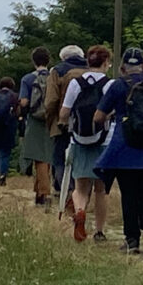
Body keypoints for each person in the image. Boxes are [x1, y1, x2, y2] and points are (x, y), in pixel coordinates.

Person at [93, 47, 143, 254]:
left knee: (128, 194)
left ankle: (132, 240)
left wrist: (114, 115)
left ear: (122, 67)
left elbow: (98, 117)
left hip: (125, 148)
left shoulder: (118, 86)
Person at [58, 45, 115, 243]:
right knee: (101, 189)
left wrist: (65, 125)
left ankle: (80, 211)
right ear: (106, 62)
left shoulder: (75, 84)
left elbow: (64, 113)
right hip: (104, 141)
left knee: (80, 187)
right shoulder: (110, 85)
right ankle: (99, 231)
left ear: (88, 62)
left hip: (79, 139)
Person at [46, 45, 88, 209]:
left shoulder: (57, 71)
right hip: (89, 126)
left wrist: (51, 122)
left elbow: (51, 101)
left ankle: (68, 193)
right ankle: (81, 195)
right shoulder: (92, 70)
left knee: (60, 159)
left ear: (63, 57)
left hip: (63, 123)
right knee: (82, 160)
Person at [20, 47, 54, 207]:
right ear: (48, 61)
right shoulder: (54, 77)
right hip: (52, 119)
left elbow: (24, 101)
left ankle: (45, 194)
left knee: (39, 157)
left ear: (33, 61)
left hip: (34, 120)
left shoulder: (27, 79)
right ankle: (39, 193)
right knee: (47, 156)